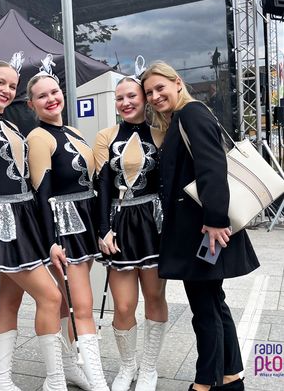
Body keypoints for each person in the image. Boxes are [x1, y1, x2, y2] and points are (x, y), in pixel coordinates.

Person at [141, 61, 260, 391]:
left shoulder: (191, 113)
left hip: (204, 231)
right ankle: (231, 377)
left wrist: (215, 220)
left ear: (177, 83)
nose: (155, 96)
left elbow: (212, 166)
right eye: (149, 92)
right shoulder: (181, 118)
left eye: (160, 87)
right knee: (213, 303)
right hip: (198, 230)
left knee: (205, 309)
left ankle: (205, 384)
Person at [0, 53, 68, 391]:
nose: (6, 90)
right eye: (0, 82)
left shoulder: (13, 126)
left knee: (9, 300)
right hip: (0, 220)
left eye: (12, 85)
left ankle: (0, 380)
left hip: (25, 217)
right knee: (51, 297)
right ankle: (55, 382)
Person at [26, 55, 108, 391]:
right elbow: (41, 194)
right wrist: (51, 241)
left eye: (54, 91)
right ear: (31, 104)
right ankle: (98, 383)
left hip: (84, 222)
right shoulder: (38, 137)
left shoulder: (72, 131)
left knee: (68, 301)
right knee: (82, 305)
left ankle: (70, 368)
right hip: (64, 227)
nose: (51, 99)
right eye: (42, 96)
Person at [93, 75, 168, 391]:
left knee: (155, 296)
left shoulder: (161, 133)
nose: (125, 102)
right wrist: (103, 230)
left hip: (153, 223)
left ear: (144, 99)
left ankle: (149, 368)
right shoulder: (105, 137)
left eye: (132, 96)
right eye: (119, 97)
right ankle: (127, 366)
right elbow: (102, 186)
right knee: (123, 305)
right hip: (120, 224)